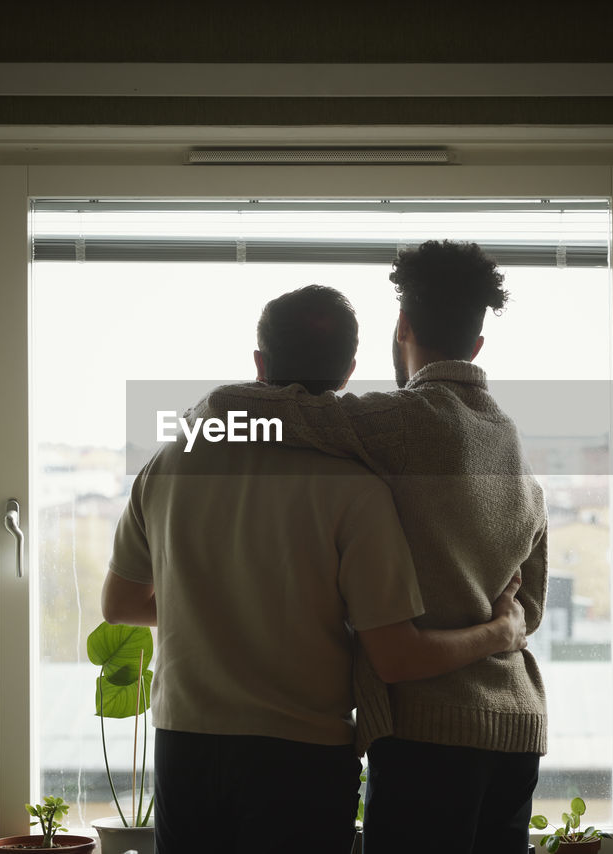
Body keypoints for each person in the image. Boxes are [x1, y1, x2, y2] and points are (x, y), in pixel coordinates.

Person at [102, 284, 529, 854]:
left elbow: (120, 603)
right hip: (300, 755)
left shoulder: (171, 463)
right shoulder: (355, 488)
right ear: (350, 371)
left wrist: (214, 607)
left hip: (186, 743)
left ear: (260, 361)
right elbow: (397, 656)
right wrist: (502, 631)